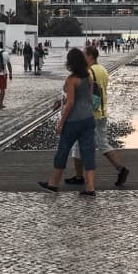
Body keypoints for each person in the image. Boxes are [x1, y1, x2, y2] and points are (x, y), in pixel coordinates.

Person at [65, 45, 129, 188]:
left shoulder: (88, 72)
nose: (82, 57)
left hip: (90, 114)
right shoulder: (103, 70)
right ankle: (120, 169)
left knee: (77, 145)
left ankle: (80, 177)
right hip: (102, 112)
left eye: (84, 55)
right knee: (103, 143)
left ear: (90, 56)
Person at [39, 47, 96, 197]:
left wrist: (61, 122)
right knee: (88, 152)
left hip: (73, 121)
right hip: (88, 119)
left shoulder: (71, 80)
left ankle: (53, 183)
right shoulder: (88, 77)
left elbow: (70, 103)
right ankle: (90, 187)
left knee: (62, 151)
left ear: (71, 63)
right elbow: (89, 99)